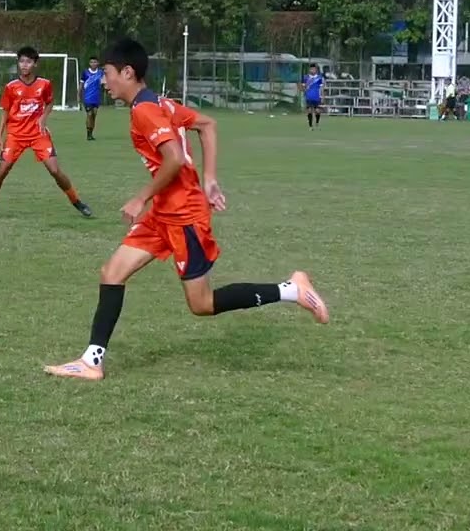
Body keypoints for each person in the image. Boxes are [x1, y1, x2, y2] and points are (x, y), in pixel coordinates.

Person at [44, 38, 329, 381]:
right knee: (112, 272)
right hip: (164, 213)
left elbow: (175, 159)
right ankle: (92, 361)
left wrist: (141, 196)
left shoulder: (146, 111)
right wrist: (209, 179)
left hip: (184, 216)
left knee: (202, 304)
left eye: (106, 73)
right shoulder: (158, 102)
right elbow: (207, 125)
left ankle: (292, 289)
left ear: (127, 72)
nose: (103, 81)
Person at [0, 46, 93, 220]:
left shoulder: (44, 84)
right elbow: (5, 112)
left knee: (55, 170)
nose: (24, 65)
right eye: (21, 61)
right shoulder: (11, 87)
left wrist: (43, 119)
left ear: (35, 64)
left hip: (38, 134)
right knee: (2, 171)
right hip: (15, 135)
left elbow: (49, 103)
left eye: (28, 61)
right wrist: (0, 136)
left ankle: (78, 202)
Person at [79, 56, 104, 141]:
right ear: (89, 63)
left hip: (96, 98)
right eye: (91, 62)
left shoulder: (101, 73)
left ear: (98, 63)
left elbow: (104, 83)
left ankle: (91, 133)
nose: (93, 64)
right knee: (89, 114)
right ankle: (88, 134)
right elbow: (81, 85)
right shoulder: (85, 73)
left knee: (94, 115)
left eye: (95, 62)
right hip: (87, 98)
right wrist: (79, 95)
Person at [300, 63, 324, 128]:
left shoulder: (319, 78)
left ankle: (317, 122)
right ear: (310, 69)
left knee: (317, 111)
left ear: (316, 70)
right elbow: (302, 88)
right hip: (309, 97)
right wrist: (305, 89)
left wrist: (322, 97)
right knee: (309, 111)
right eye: (311, 69)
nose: (313, 70)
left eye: (314, 69)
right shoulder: (306, 77)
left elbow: (321, 88)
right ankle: (310, 125)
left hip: (316, 97)